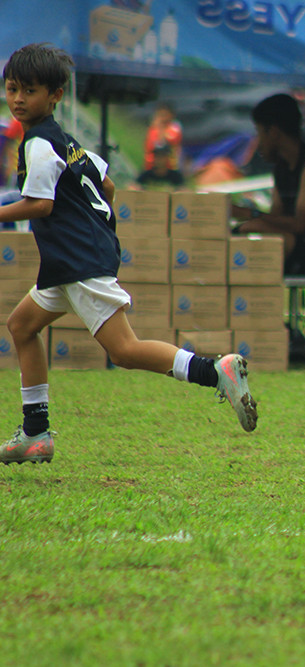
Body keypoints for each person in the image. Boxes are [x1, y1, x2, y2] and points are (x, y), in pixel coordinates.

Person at [0, 43, 257, 464]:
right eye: (12, 89)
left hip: (78, 260)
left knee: (124, 351)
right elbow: (107, 182)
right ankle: (35, 434)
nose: (17, 100)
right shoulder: (66, 142)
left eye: (28, 91)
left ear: (56, 95)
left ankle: (216, 372)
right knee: (22, 325)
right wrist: (98, 223)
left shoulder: (38, 146)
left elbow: (40, 205)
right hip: (69, 260)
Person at [230, 94, 305, 282]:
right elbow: (275, 218)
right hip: (300, 244)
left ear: (274, 132)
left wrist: (249, 215)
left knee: (253, 231)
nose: (258, 143)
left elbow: (300, 224)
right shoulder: (282, 169)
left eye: (259, 133)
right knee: (254, 234)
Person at [143, 102, 182, 172]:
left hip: (169, 168)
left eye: (165, 115)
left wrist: (160, 128)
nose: (163, 118)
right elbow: (149, 146)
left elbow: (165, 144)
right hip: (151, 166)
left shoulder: (174, 128)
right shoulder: (153, 130)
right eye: (160, 115)